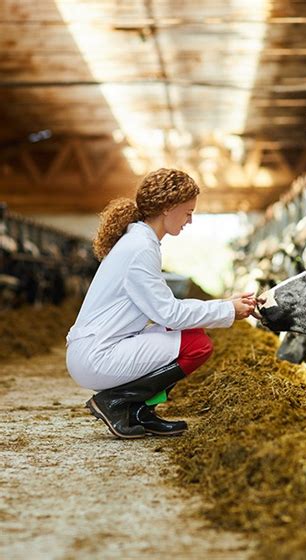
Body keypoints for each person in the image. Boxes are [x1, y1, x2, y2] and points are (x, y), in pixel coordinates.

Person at [66, 168, 256, 439]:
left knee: (194, 335)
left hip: (99, 347)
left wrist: (226, 303)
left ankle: (140, 413)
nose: (190, 221)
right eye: (188, 212)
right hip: (98, 356)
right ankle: (117, 402)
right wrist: (227, 310)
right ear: (169, 207)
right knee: (198, 346)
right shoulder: (140, 248)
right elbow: (169, 314)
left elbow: (165, 308)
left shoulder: (140, 242)